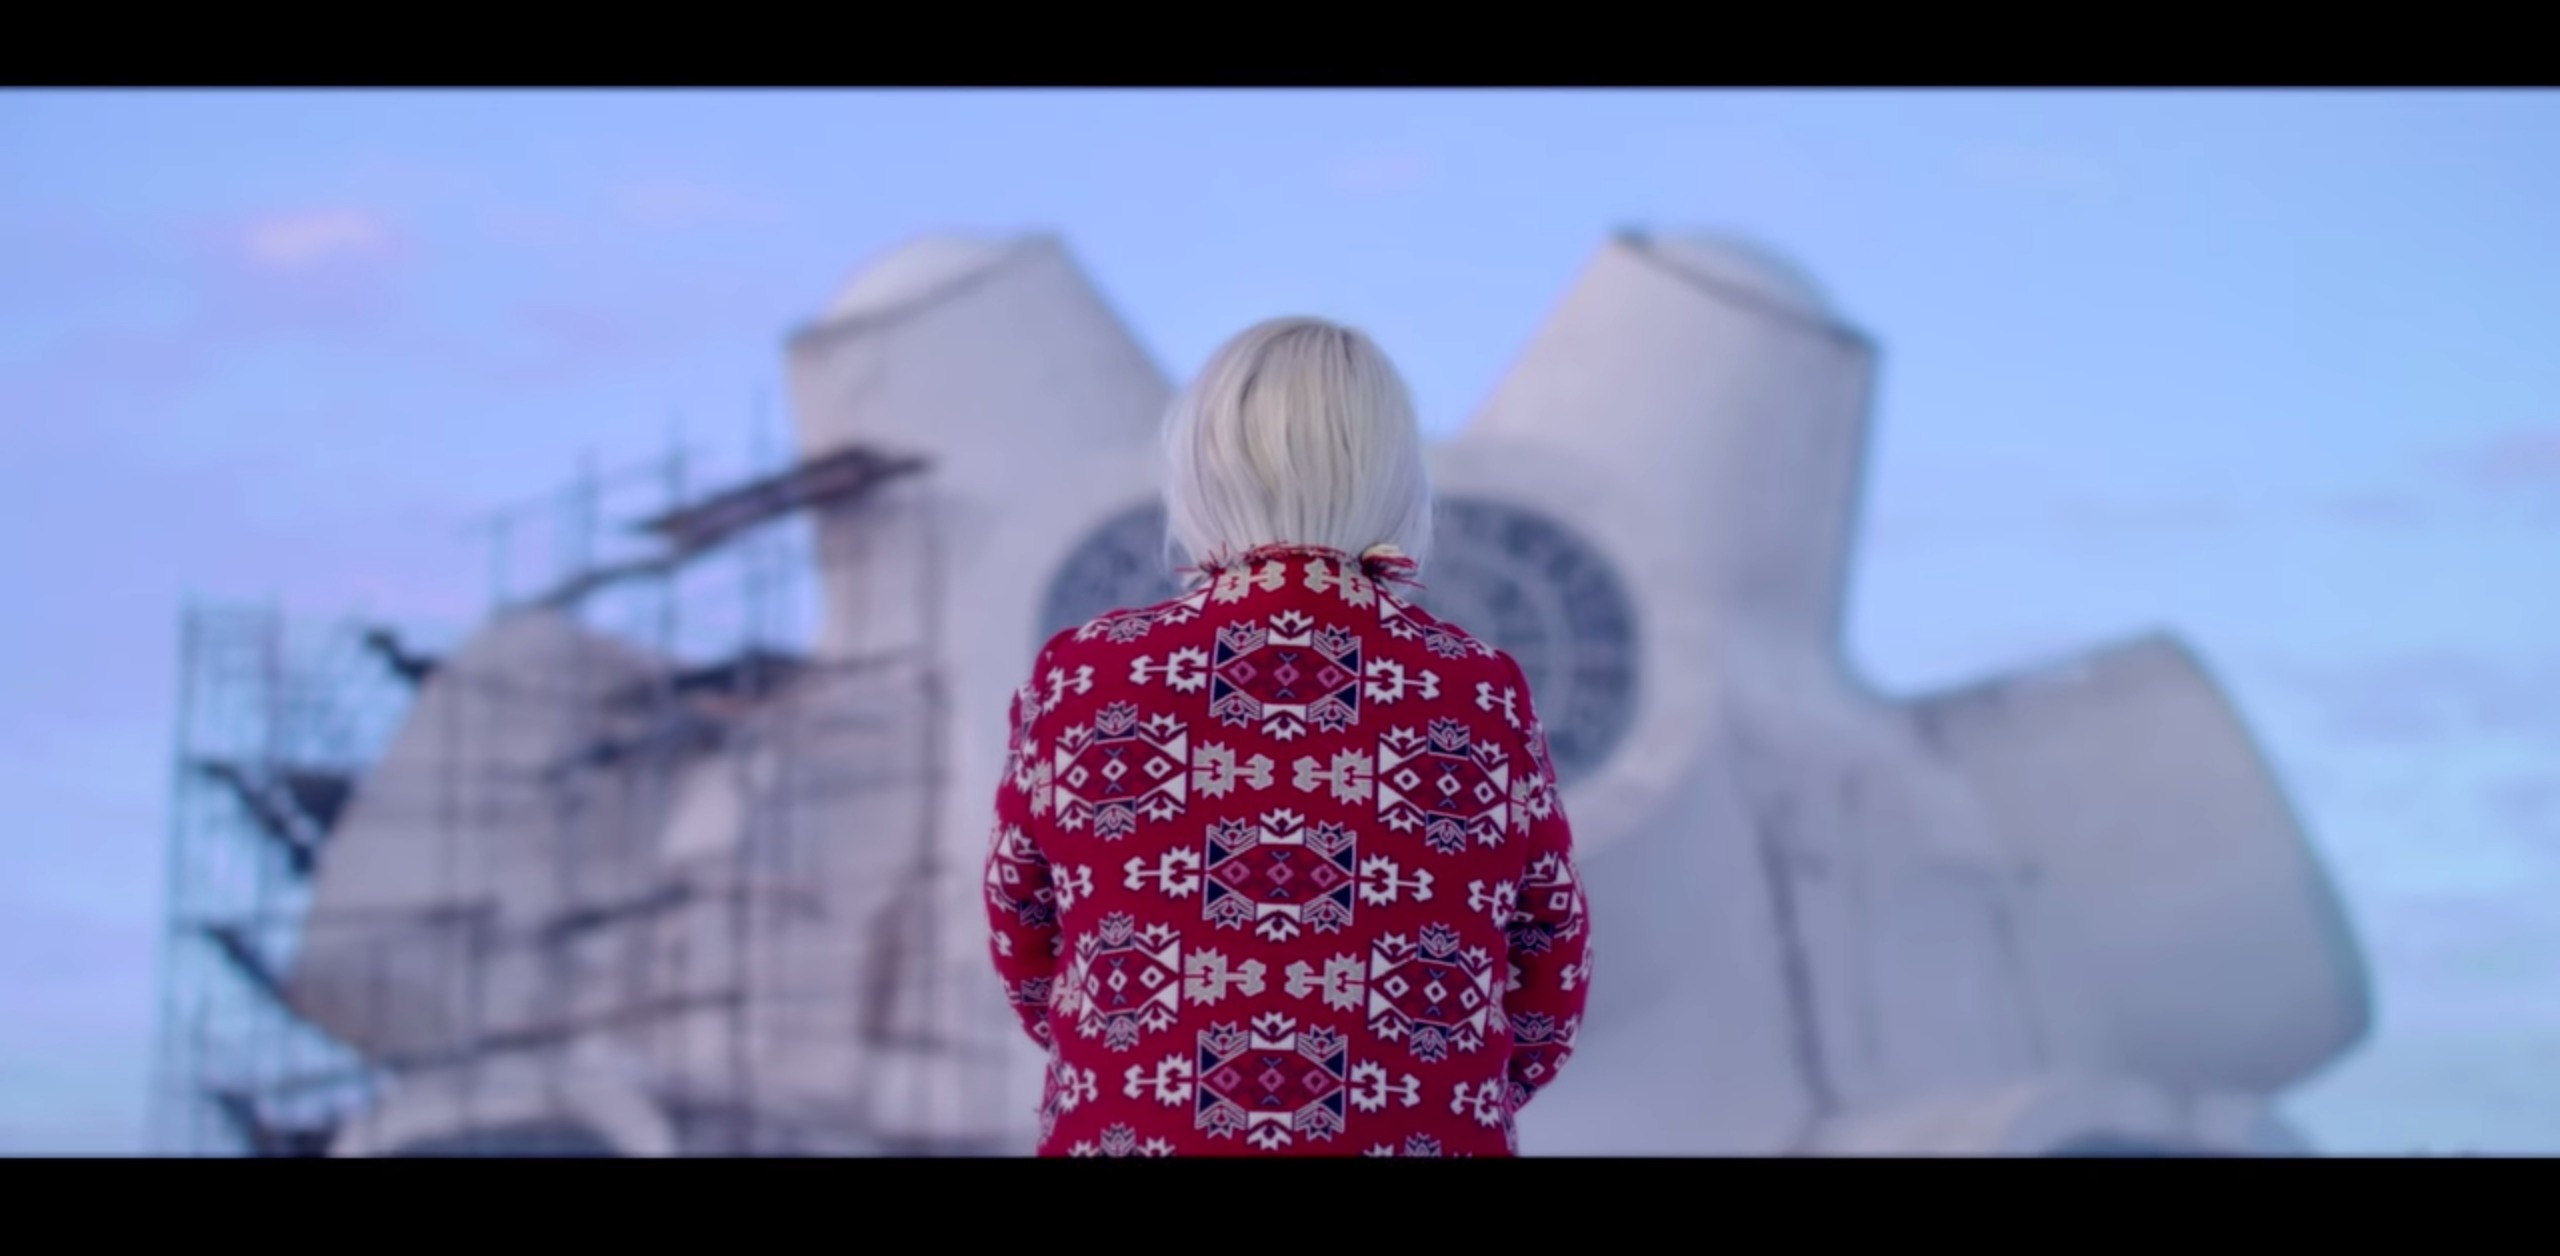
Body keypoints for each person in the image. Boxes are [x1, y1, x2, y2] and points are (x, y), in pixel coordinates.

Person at [982, 316, 1591, 1156]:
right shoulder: (1480, 693)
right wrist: (1437, 1089)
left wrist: (1125, 1057)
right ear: (1394, 479)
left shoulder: (1084, 677)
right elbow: (1547, 973)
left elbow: (1026, 941)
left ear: (1199, 471)